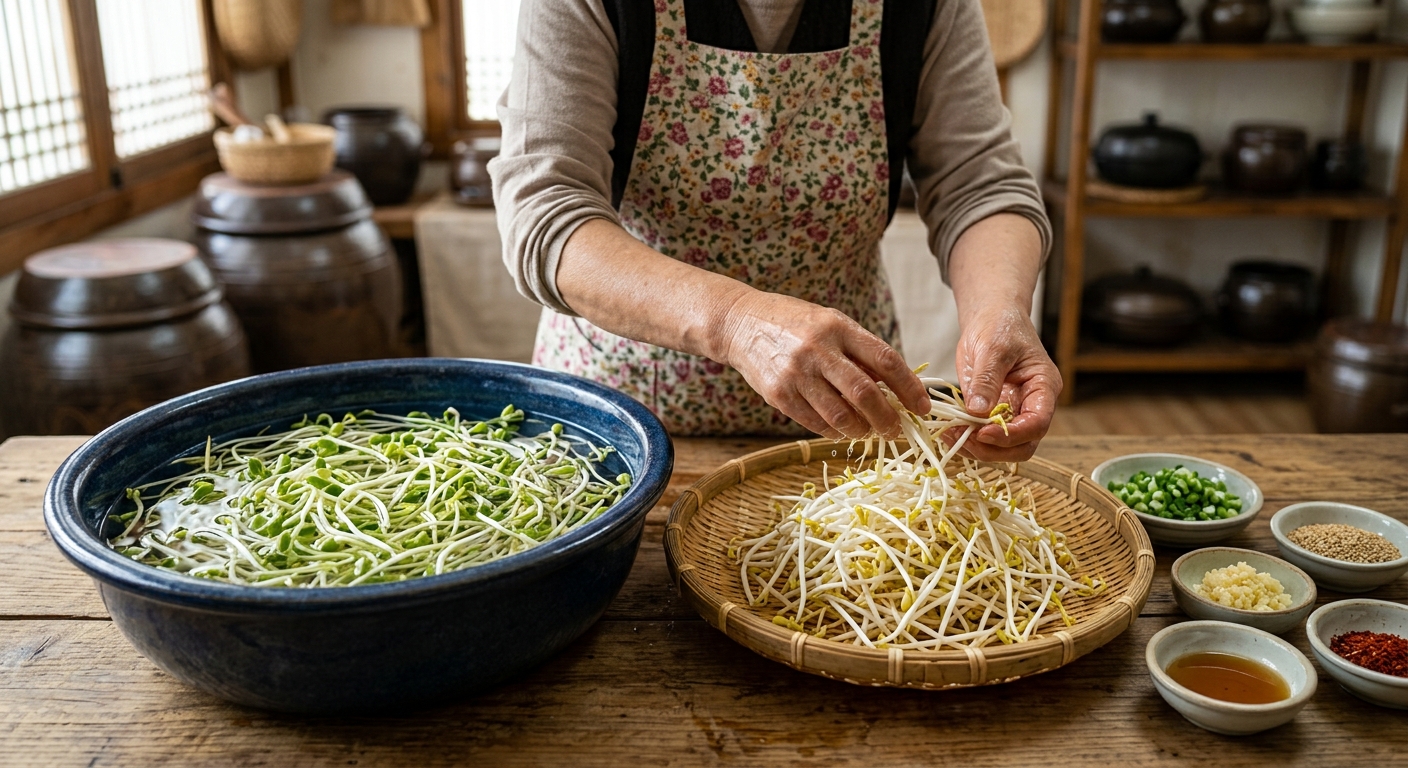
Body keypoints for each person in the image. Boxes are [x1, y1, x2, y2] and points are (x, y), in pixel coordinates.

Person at [490, 0, 1061, 461]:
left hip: (849, 415)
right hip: (627, 421)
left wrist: (998, 312)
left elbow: (980, 184)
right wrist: (736, 321)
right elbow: (545, 210)